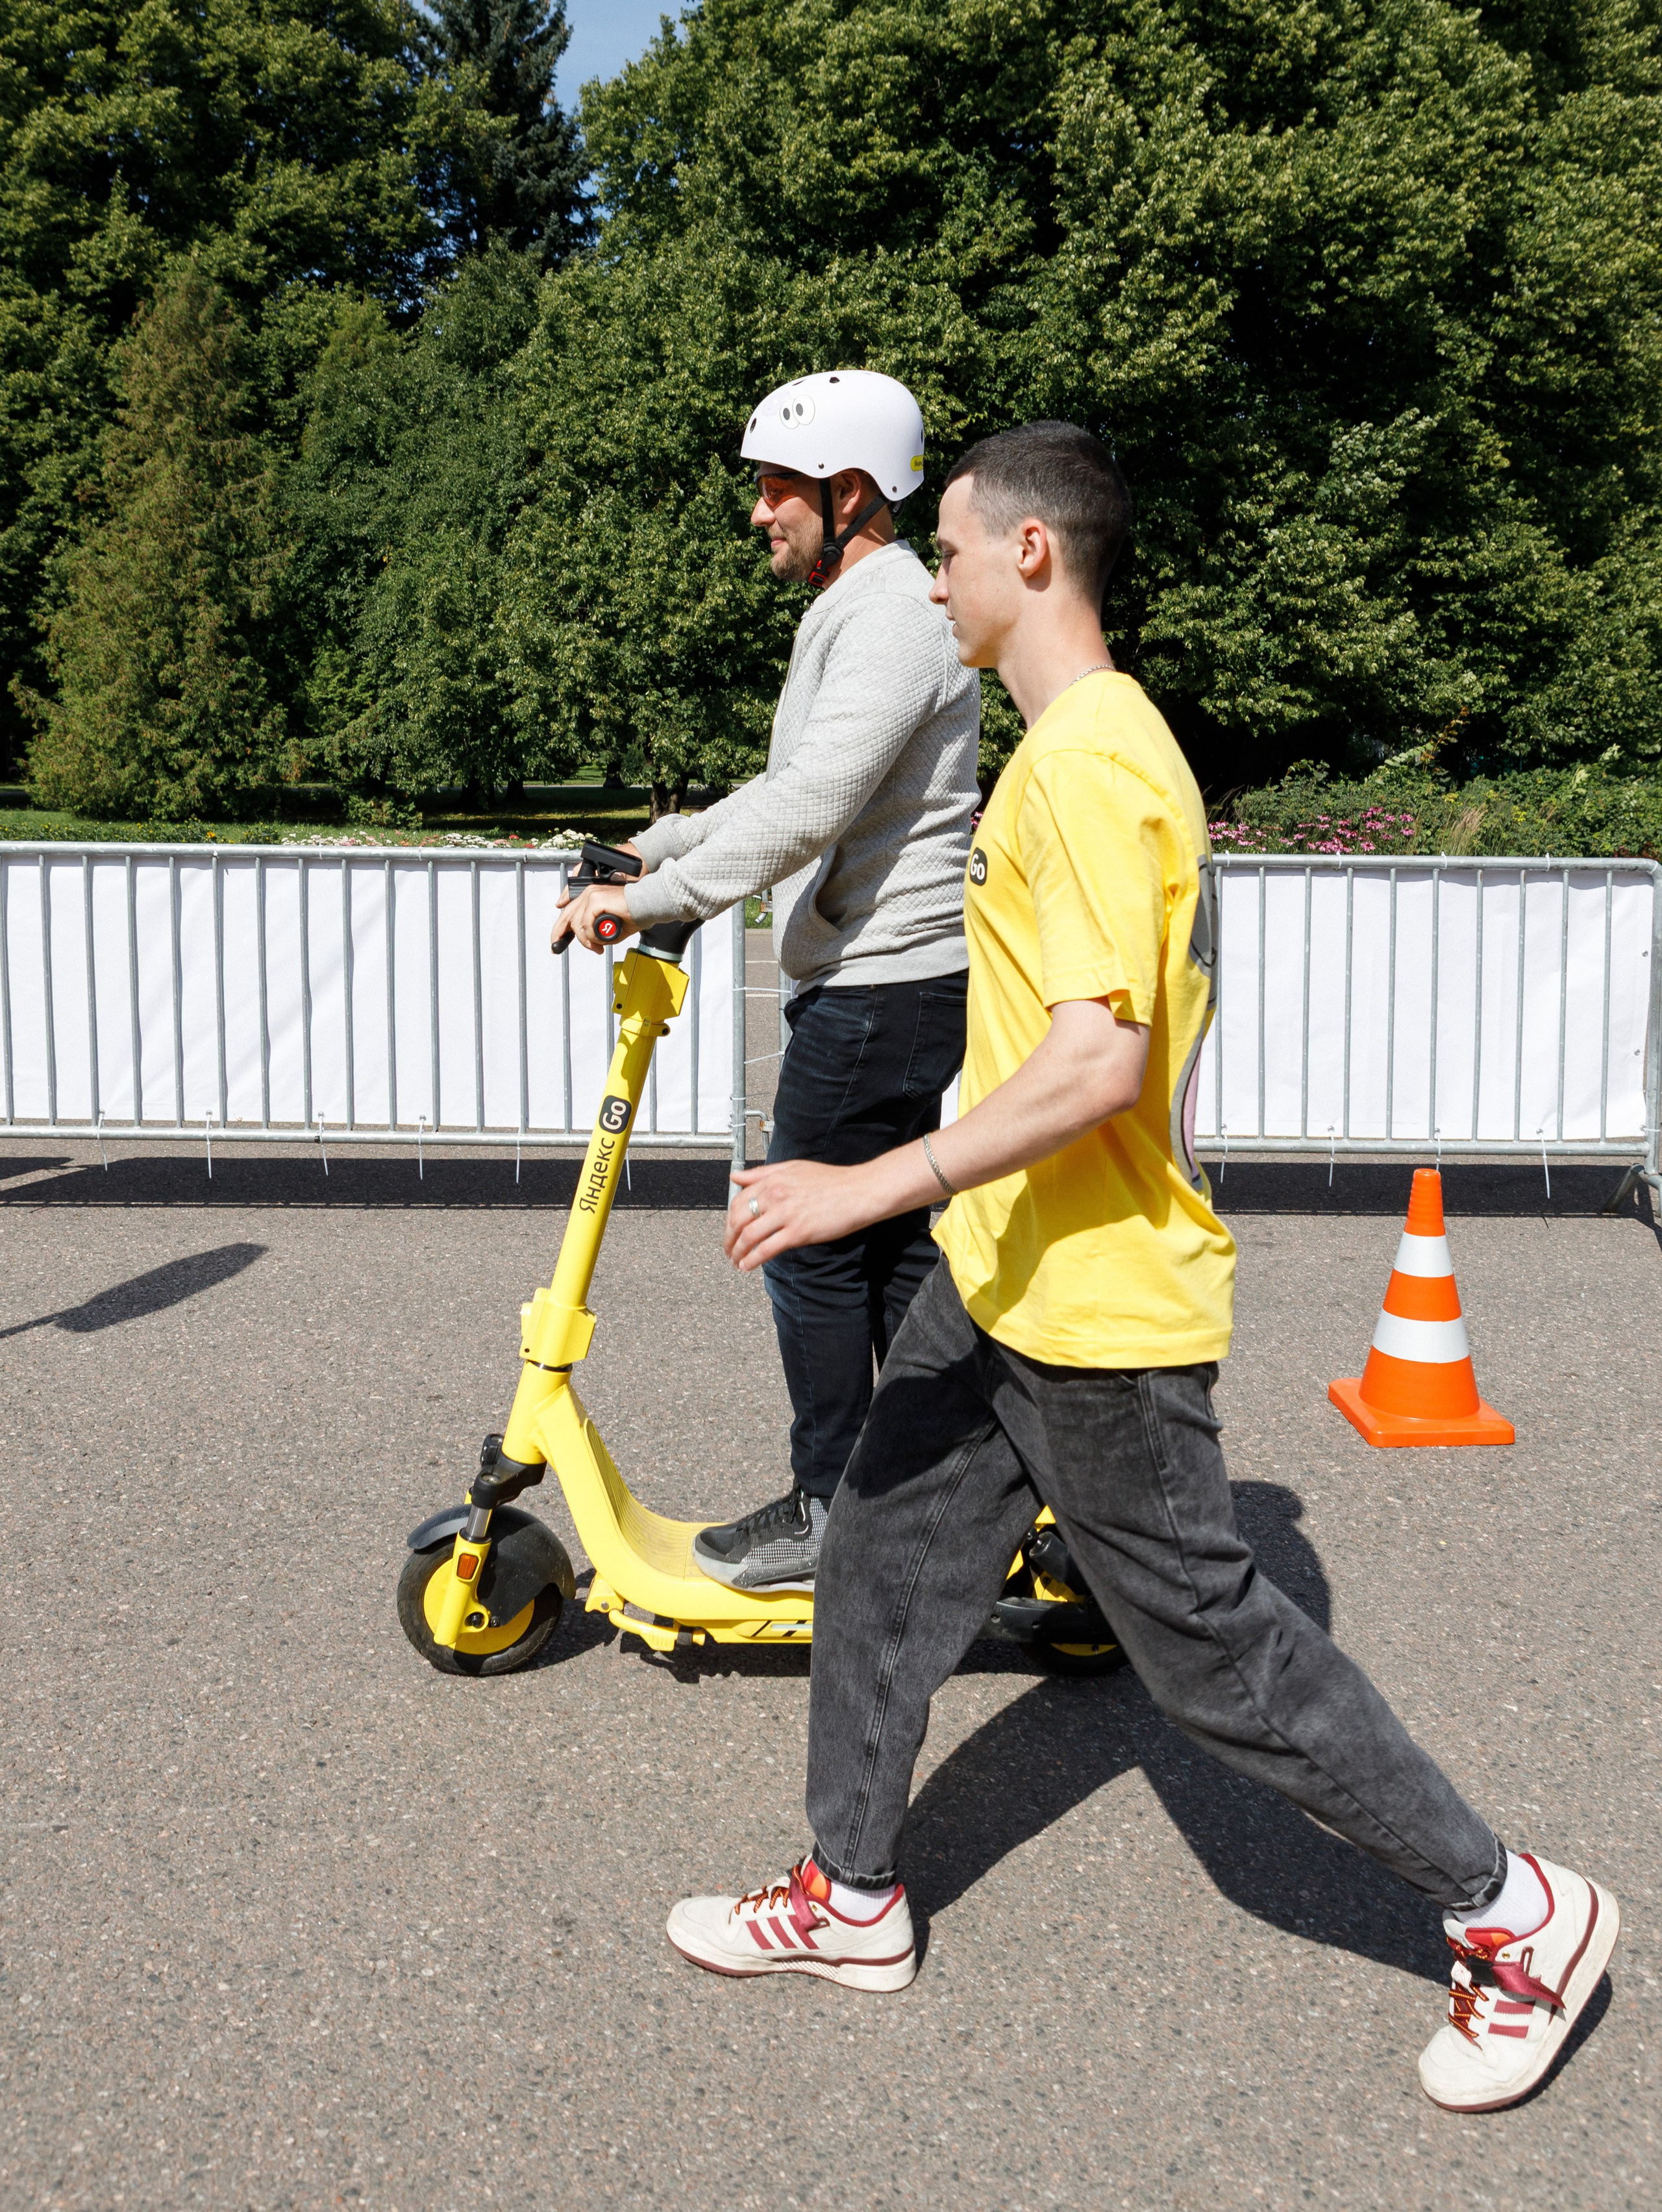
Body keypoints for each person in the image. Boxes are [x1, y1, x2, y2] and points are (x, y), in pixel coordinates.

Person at [664, 421, 1619, 2115]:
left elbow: (1098, 1065)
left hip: (1099, 1306)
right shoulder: (1078, 754)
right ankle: (853, 1897)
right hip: (1008, 1268)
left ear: (1031, 554)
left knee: (1217, 1660)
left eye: (948, 549)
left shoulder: (1095, 763)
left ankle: (1521, 1917)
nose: (931, 574)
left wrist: (859, 1184)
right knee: (880, 1560)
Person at [552, 370, 980, 1591]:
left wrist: (648, 901)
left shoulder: (893, 615)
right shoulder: (864, 611)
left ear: (849, 494)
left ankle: (834, 1509)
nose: (759, 516)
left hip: (884, 983)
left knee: (797, 1235)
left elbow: (814, 804)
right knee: (885, 1249)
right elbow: (782, 790)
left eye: (776, 490)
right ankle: (940, 1481)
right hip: (889, 981)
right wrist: (662, 845)